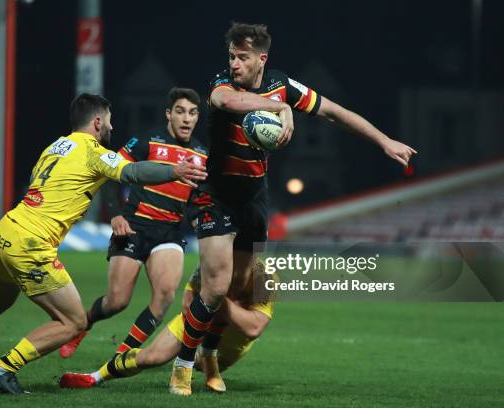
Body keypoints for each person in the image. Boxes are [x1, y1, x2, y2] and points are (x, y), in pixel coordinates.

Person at [168, 22, 418, 396]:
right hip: (215, 192)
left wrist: (384, 141)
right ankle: (183, 367)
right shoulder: (225, 83)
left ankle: (210, 355)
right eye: (232, 56)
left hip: (254, 196)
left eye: (243, 57)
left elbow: (334, 112)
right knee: (216, 286)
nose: (234, 63)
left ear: (262, 59)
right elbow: (225, 102)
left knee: (236, 288)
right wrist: (279, 108)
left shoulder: (283, 84)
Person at [0, 93, 207, 395]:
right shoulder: (93, 152)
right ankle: (2, 369)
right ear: (98, 122)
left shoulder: (55, 147)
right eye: (110, 120)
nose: (112, 126)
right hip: (33, 244)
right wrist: (174, 171)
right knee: (73, 321)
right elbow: (134, 172)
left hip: (5, 232)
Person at [58, 88, 208, 359]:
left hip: (169, 232)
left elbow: (198, 200)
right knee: (117, 301)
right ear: (168, 114)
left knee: (164, 298)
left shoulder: (201, 155)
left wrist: (200, 221)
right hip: (133, 226)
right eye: (180, 111)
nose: (187, 119)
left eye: (193, 113)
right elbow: (109, 174)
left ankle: (122, 357)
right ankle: (83, 325)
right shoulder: (146, 141)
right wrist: (115, 214)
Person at [59, 258, 274, 394]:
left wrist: (217, 297)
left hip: (230, 346)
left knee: (202, 364)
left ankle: (205, 361)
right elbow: (188, 303)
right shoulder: (211, 262)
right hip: (198, 323)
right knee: (153, 357)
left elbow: (254, 327)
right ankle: (94, 377)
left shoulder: (265, 277)